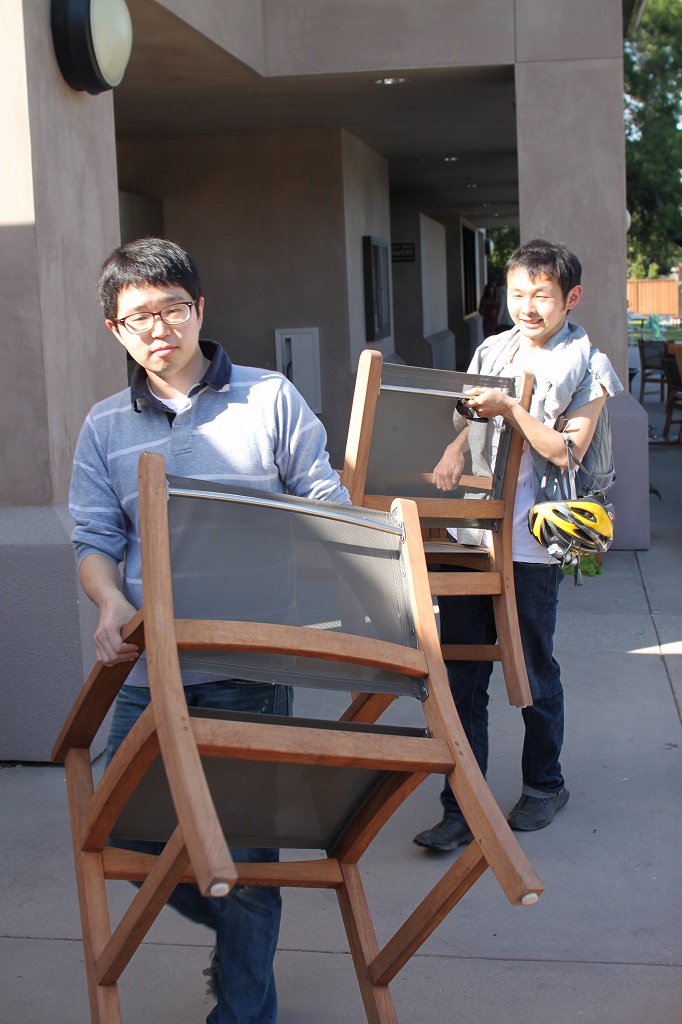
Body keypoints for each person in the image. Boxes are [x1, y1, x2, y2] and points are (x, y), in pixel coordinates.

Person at [69, 237, 350, 1024]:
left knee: (247, 861)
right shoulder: (103, 426)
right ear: (115, 329)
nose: (159, 328)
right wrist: (108, 602)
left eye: (172, 309)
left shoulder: (270, 398)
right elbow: (94, 541)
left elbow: (325, 503)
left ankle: (243, 1008)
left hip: (251, 665)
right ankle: (237, 936)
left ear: (200, 309)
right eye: (139, 317)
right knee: (120, 839)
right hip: (147, 669)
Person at [414, 238, 623, 852]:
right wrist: (455, 447)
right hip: (472, 533)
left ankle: (543, 786)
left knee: (533, 668)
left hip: (532, 543)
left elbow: (565, 451)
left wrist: (510, 406)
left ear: (571, 297)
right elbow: (469, 418)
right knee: (462, 672)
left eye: (542, 295)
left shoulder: (590, 366)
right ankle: (462, 805)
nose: (527, 306)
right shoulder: (492, 349)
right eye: (517, 294)